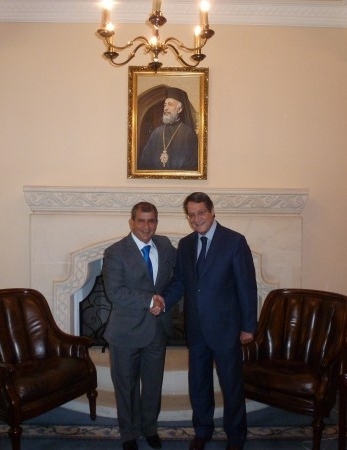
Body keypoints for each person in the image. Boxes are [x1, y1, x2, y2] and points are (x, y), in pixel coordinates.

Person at [158, 192, 258, 450]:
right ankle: (202, 431)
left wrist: (248, 326)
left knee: (231, 385)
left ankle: (236, 436)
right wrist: (163, 300)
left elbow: (246, 286)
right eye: (191, 215)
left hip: (226, 327)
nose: (196, 219)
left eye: (201, 212)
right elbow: (180, 281)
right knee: (198, 383)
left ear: (212, 211)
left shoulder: (234, 241)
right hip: (196, 328)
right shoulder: (186, 244)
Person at [102, 202, 177, 450]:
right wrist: (149, 300)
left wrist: (163, 301)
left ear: (157, 222)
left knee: (153, 384)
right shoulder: (115, 252)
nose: (147, 226)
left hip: (157, 328)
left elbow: (176, 277)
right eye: (142, 221)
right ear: (132, 222)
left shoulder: (165, 245)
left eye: (151, 220)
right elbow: (115, 292)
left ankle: (150, 428)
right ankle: (129, 434)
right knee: (127, 386)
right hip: (126, 332)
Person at [138, 87, 198, 171]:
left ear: (179, 109)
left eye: (170, 104)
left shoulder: (189, 134)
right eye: (165, 105)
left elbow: (193, 165)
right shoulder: (156, 133)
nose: (166, 108)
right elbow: (144, 162)